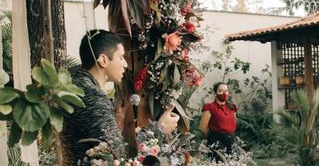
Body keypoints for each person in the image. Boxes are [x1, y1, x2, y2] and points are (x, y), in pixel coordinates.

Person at [61, 30, 179, 165]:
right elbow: (117, 154)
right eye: (121, 57)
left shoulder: (74, 86)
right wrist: (160, 128)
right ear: (103, 60)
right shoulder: (92, 97)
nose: (125, 64)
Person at [200, 82, 238, 158]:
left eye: (226, 91)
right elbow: (203, 128)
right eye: (220, 91)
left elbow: (233, 123)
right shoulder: (209, 107)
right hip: (217, 141)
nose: (224, 93)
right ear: (215, 93)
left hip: (231, 140)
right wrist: (211, 138)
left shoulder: (232, 107)